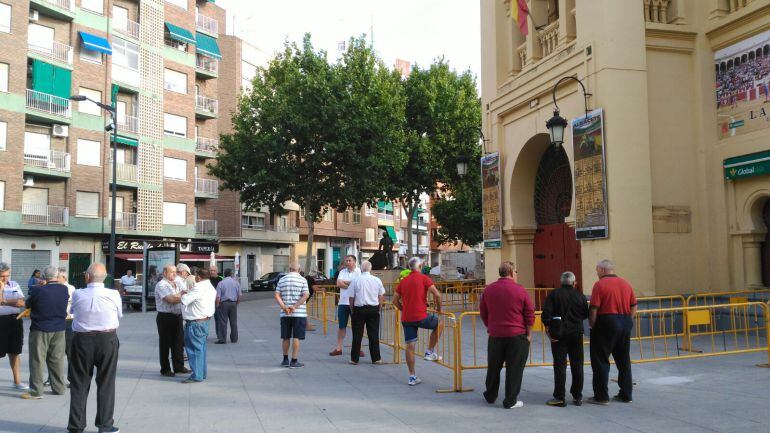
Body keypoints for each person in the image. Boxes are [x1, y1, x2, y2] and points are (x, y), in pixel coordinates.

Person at [68, 263, 123, 433]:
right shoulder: (113, 294)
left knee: (79, 383)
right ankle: (105, 425)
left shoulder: (78, 293)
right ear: (105, 278)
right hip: (107, 339)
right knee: (106, 382)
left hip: (82, 340)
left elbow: (72, 310)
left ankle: (76, 426)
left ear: (87, 277)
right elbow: (119, 314)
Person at [479, 261, 534, 409]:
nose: (516, 274)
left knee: (493, 367)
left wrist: (490, 326)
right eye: (516, 272)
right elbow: (529, 314)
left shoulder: (489, 290)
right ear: (511, 272)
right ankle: (510, 400)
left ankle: (490, 395)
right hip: (517, 335)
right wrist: (529, 333)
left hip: (496, 335)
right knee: (514, 368)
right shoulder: (520, 290)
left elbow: (483, 312)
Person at [588, 259, 637, 405]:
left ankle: (601, 396)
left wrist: (592, 325)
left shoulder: (599, 285)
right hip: (625, 322)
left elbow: (594, 308)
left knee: (600, 360)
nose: (596, 273)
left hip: (606, 322)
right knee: (623, 360)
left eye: (597, 270)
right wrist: (628, 320)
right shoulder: (626, 283)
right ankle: (626, 394)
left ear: (602, 270)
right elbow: (634, 305)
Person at [392, 257, 443, 386]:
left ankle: (412, 376)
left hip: (407, 318)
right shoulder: (424, 278)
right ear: (419, 267)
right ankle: (429, 352)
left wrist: (403, 309)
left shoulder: (403, 282)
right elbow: (437, 295)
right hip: (421, 316)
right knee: (440, 323)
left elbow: (394, 300)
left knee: (410, 346)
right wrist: (439, 309)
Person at [542, 271, 589, 407]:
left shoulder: (554, 294)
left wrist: (548, 327)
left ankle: (559, 397)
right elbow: (585, 314)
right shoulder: (580, 296)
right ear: (574, 283)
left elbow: (546, 314)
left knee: (560, 365)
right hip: (576, 334)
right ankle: (577, 396)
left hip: (559, 334)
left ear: (561, 282)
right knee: (577, 365)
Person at [21, 266, 69, 400]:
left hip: (40, 328)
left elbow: (28, 304)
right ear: (57, 275)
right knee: (57, 359)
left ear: (43, 277)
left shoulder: (37, 290)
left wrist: (41, 286)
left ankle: (36, 391)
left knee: (37, 360)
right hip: (59, 328)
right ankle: (59, 388)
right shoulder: (64, 289)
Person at [180, 267, 217, 383]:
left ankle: (197, 375)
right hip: (205, 321)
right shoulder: (210, 287)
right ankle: (202, 373)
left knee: (194, 349)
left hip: (195, 322)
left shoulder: (198, 287)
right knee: (201, 349)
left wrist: (183, 293)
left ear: (198, 277)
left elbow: (184, 300)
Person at [154, 265, 189, 377]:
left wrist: (180, 295)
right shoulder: (161, 285)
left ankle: (179, 367)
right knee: (165, 343)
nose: (175, 274)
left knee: (178, 343)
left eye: (175, 272)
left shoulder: (177, 283)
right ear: (165, 273)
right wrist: (183, 296)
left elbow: (185, 292)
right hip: (165, 317)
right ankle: (165, 369)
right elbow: (170, 300)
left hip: (178, 316)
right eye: (172, 272)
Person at [348, 261, 385, 365]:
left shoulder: (356, 280)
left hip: (359, 309)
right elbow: (381, 296)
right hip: (373, 309)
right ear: (370, 269)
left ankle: (354, 359)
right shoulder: (377, 280)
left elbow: (351, 297)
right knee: (373, 334)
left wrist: (352, 309)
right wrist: (379, 307)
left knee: (357, 335)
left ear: (361, 268)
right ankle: (376, 358)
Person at [275, 262, 310, 368]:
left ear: (289, 269)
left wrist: (284, 307)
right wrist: (295, 306)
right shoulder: (303, 280)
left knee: (285, 337)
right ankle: (294, 361)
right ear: (299, 270)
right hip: (299, 313)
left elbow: (277, 295)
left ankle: (285, 360)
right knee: (296, 337)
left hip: (285, 314)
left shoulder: (282, 279)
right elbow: (305, 295)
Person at [0, 262, 28, 391]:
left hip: (15, 321)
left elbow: (22, 303)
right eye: (2, 276)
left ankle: (17, 382)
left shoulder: (15, 284)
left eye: (7, 275)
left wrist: (5, 301)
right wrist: (1, 290)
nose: (5, 279)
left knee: (15, 352)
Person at [329, 255, 363, 357]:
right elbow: (338, 284)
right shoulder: (342, 272)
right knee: (341, 326)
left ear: (354, 262)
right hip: (343, 303)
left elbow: (359, 285)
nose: (347, 262)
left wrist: (346, 283)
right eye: (346, 261)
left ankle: (358, 348)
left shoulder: (359, 272)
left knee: (357, 327)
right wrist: (351, 284)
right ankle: (339, 348)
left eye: (349, 260)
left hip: (355, 303)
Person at [215, 269, 240, 344]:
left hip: (223, 303)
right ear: (231, 274)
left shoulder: (221, 283)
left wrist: (217, 305)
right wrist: (236, 303)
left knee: (223, 321)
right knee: (233, 322)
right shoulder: (236, 283)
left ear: (224, 274)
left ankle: (222, 339)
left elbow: (218, 297)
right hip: (233, 303)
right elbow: (239, 295)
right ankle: (234, 338)